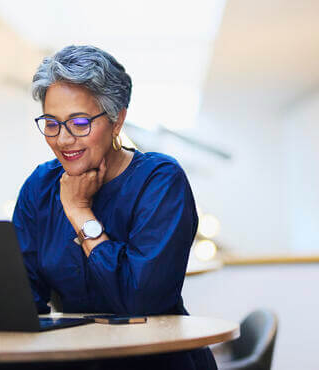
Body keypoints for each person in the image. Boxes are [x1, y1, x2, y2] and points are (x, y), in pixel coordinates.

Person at [12, 45, 217, 369]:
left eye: (79, 122)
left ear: (117, 119)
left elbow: (141, 302)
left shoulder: (160, 180)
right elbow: (21, 298)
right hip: (78, 360)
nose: (63, 140)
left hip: (157, 363)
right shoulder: (39, 187)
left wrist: (80, 212)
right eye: (51, 123)